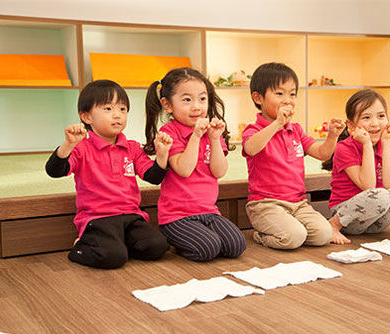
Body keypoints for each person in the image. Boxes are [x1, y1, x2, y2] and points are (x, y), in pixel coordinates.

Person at [45, 79, 171, 269]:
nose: (117, 115)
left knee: (158, 246)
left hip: (131, 215)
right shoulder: (81, 148)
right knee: (112, 257)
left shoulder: (132, 148)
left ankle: (119, 245)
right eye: (108, 109)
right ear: (86, 117)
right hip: (98, 219)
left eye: (122, 109)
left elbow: (153, 177)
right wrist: (68, 145)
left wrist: (162, 155)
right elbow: (54, 171)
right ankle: (81, 246)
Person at [144, 67, 246, 262]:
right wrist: (197, 136)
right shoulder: (169, 132)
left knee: (236, 245)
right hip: (176, 217)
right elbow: (184, 169)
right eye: (187, 100)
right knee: (208, 248)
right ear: (167, 104)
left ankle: (197, 237)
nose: (196, 106)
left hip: (208, 211)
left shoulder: (211, 131)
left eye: (202, 99)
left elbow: (219, 171)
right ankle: (175, 241)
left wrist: (215, 139)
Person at [242, 62, 345, 249]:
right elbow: (251, 148)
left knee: (324, 234)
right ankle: (262, 235)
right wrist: (277, 124)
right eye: (279, 94)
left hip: (298, 203)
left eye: (292, 94)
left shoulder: (295, 130)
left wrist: (332, 136)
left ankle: (289, 227)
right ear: (258, 98)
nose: (287, 100)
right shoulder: (254, 130)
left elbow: (322, 154)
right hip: (266, 205)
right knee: (293, 238)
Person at [322, 89, 390, 244]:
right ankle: (333, 224)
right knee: (381, 195)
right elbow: (368, 185)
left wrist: (386, 144)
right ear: (352, 126)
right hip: (348, 219)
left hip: (377, 220)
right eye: (366, 117)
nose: (375, 123)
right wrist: (366, 145)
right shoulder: (344, 148)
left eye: (381, 116)